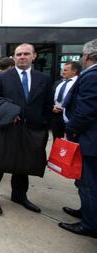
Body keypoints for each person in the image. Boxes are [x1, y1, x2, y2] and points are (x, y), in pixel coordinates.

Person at [0, 43, 52, 215]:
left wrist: (42, 123)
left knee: (24, 166)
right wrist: (9, 112)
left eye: (26, 54)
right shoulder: (2, 77)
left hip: (31, 130)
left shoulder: (43, 78)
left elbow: (48, 104)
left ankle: (19, 196)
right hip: (7, 128)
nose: (22, 57)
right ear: (14, 57)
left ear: (34, 56)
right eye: (19, 54)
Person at [59, 38, 97, 239]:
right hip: (90, 137)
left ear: (87, 56)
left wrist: (71, 130)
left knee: (88, 183)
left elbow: (86, 110)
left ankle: (90, 224)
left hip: (89, 139)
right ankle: (88, 212)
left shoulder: (91, 76)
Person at [50, 61, 81, 141]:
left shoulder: (80, 83)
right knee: (56, 142)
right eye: (62, 69)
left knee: (70, 144)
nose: (63, 72)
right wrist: (52, 107)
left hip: (70, 118)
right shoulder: (58, 83)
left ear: (74, 71)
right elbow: (50, 98)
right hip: (56, 117)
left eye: (66, 70)